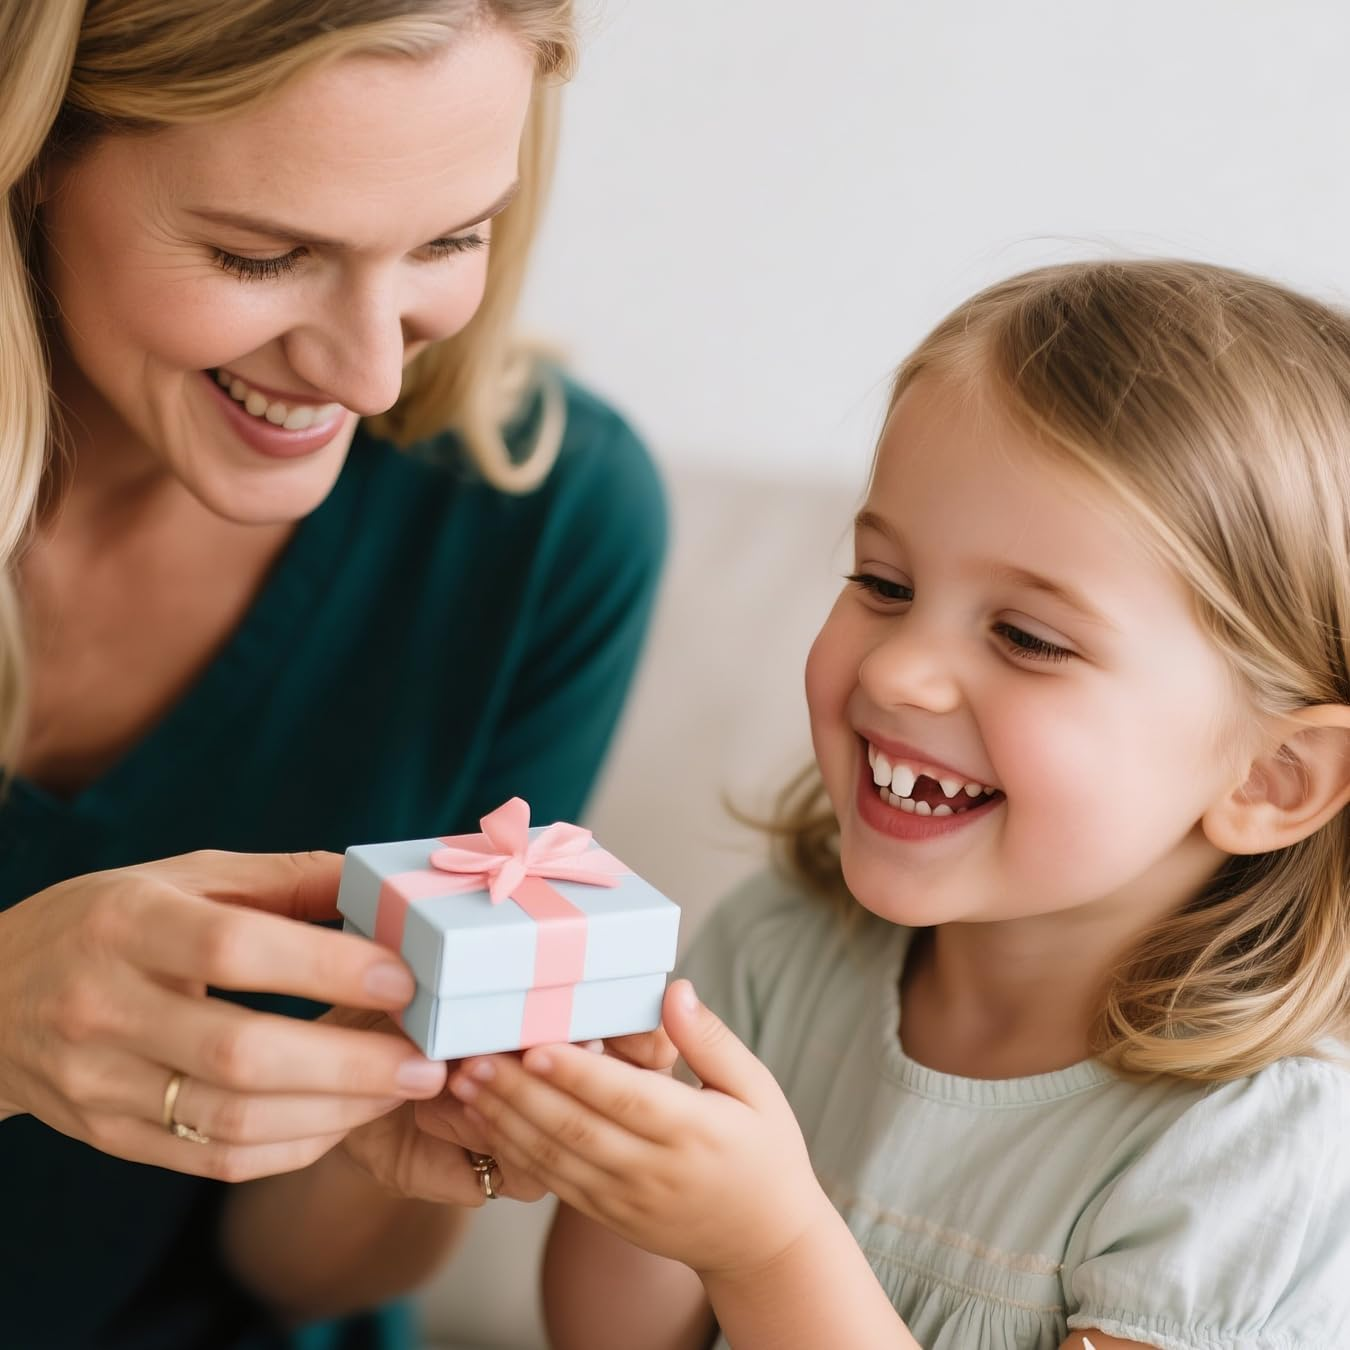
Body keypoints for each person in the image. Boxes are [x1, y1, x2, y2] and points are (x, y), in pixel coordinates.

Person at [444, 260, 1350, 1350]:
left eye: (1027, 637)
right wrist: (617, 1160)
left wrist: (767, 1247)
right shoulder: (781, 953)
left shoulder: (1258, 1151)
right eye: (884, 584)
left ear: (1270, 779)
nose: (900, 672)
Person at [0, 1, 668, 1347]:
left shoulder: (530, 522)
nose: (368, 371)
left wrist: (450, 1112)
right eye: (261, 255)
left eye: (448, 239)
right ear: (32, 164)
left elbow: (303, 1270)